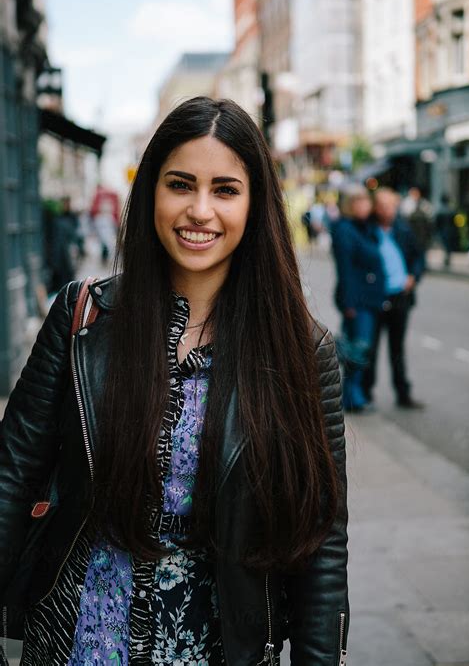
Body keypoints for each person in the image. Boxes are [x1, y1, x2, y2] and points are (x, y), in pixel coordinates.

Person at [0, 97, 349, 665]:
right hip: (77, 641)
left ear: (256, 204)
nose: (200, 211)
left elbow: (323, 540)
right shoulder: (82, 318)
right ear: (151, 194)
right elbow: (11, 478)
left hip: (220, 647)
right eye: (181, 185)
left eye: (226, 190)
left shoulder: (301, 353)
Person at [362, 187, 425, 409]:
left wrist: (413, 277)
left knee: (397, 349)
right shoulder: (367, 230)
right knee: (371, 348)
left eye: (392, 206)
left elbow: (418, 257)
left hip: (400, 296)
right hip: (376, 297)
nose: (388, 211)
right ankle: (366, 394)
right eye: (383, 206)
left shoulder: (402, 229)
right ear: (375, 208)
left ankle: (403, 394)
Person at [331, 185, 385, 413]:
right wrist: (349, 303)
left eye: (366, 201)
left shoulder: (365, 228)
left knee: (359, 348)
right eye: (359, 202)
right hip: (358, 300)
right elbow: (346, 270)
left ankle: (353, 394)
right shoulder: (344, 229)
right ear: (350, 205)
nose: (364, 206)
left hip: (370, 299)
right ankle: (352, 397)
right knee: (358, 350)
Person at [399, 186, 434, 258]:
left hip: (422, 233)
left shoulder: (423, 203)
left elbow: (430, 214)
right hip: (411, 231)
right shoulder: (406, 203)